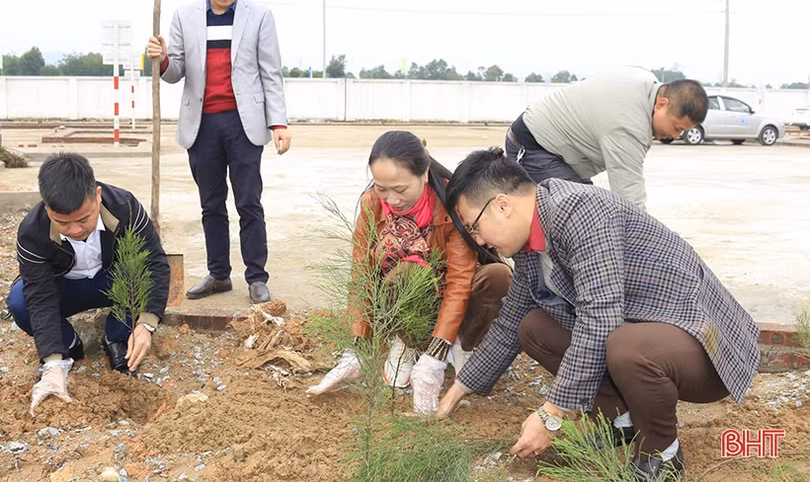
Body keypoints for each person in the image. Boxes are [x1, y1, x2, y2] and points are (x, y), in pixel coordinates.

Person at [438, 148, 760, 481]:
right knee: (532, 327)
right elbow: (508, 325)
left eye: (474, 228)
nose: (479, 241)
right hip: (647, 338)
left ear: (502, 206)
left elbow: (600, 317)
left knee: (624, 345)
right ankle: (620, 422)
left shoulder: (580, 210)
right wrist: (452, 395)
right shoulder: (531, 246)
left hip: (705, 351)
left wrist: (551, 415)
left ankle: (661, 455)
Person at [306, 131, 512, 415]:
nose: (392, 199)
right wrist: (356, 349)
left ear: (425, 173)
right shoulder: (371, 204)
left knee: (498, 276)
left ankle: (462, 346)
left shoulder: (451, 203)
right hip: (403, 305)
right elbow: (361, 277)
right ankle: (406, 343)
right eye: (381, 188)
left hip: (452, 302)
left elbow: (459, 282)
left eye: (400, 190)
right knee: (404, 274)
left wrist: (435, 360)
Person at [146, 0, 289, 305]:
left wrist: (279, 123)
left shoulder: (259, 17)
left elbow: (271, 74)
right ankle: (219, 274)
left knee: (249, 203)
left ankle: (256, 277)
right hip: (202, 125)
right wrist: (161, 57)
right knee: (211, 204)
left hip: (245, 124)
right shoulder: (185, 17)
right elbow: (175, 71)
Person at [7, 152, 170, 415]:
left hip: (114, 282)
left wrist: (147, 323)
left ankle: (118, 337)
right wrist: (52, 364)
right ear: (47, 208)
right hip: (66, 288)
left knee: (140, 275)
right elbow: (40, 295)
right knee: (19, 301)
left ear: (97, 196)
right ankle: (70, 346)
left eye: (83, 219)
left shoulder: (125, 207)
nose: (74, 230)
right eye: (62, 222)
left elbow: (156, 263)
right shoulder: (32, 232)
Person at [505, 66, 709, 209]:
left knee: (593, 211)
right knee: (576, 218)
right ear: (662, 103)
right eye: (676, 127)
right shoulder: (629, 123)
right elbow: (630, 197)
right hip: (534, 147)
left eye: (682, 132)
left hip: (560, 153)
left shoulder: (644, 82)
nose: (675, 136)